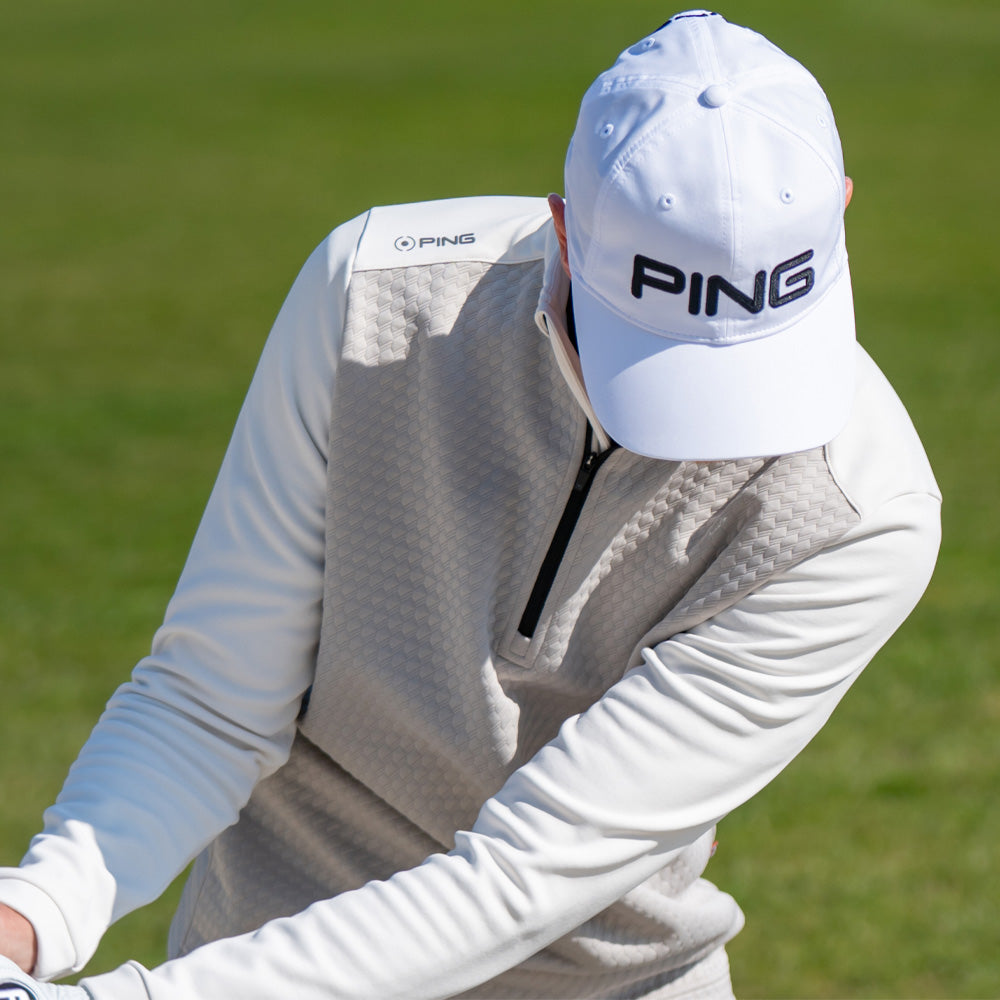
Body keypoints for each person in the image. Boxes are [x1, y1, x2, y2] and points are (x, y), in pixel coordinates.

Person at [0, 10, 940, 1000]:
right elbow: (213, 700)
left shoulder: (860, 508)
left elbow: (524, 873)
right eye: (653, 346)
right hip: (256, 951)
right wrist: (32, 912)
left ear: (840, 205)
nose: (702, 436)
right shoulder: (374, 298)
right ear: (563, 229)